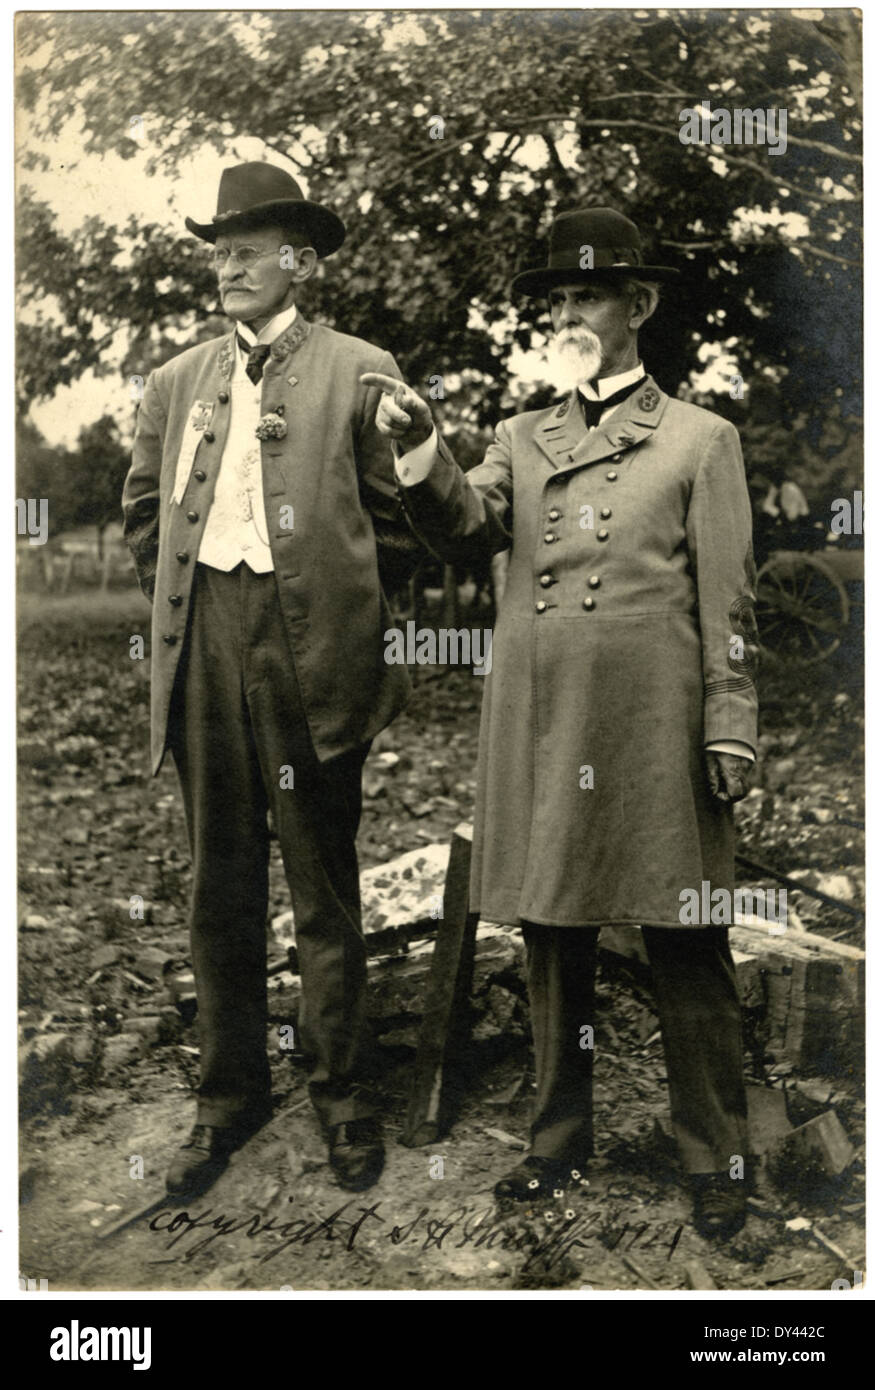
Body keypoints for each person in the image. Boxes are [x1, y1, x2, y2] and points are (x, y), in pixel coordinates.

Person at [362, 207, 759, 1241]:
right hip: (542, 726)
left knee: (684, 935)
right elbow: (458, 525)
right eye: (556, 297)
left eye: (589, 293)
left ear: (641, 304)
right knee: (552, 936)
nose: (570, 310)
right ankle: (554, 1142)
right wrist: (416, 447)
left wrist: (730, 725)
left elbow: (730, 604)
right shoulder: (517, 438)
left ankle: (715, 1154)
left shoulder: (698, 439)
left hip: (653, 726)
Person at [123, 162, 412, 1197]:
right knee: (218, 882)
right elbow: (144, 518)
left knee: (321, 880)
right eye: (218, 247)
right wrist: (188, 612)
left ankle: (340, 1091)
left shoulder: (358, 369)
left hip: (309, 654)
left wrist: (352, 620)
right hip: (205, 638)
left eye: (250, 245)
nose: (228, 263)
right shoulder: (174, 382)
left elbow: (404, 521)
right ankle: (227, 1092)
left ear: (303, 260)